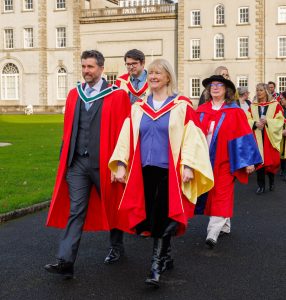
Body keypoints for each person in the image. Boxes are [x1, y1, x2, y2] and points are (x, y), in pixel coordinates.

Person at [109, 58, 214, 287]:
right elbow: (126, 135)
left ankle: (156, 266)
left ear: (168, 77)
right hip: (144, 171)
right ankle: (166, 256)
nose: (154, 77)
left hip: (170, 172)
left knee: (161, 217)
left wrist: (187, 165)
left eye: (158, 73)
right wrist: (120, 164)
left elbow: (192, 138)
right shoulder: (138, 107)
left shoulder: (181, 105)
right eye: (151, 73)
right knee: (153, 217)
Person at [45, 50, 131, 279]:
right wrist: (64, 162)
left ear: (101, 69)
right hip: (77, 164)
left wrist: (121, 164)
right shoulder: (74, 95)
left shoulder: (117, 95)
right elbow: (67, 132)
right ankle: (65, 261)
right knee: (76, 211)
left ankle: (116, 246)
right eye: (83, 66)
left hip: (105, 164)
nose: (86, 71)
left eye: (90, 67)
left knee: (113, 205)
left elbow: (125, 134)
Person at [196, 75, 262, 248]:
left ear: (227, 90)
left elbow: (243, 136)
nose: (215, 87)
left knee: (222, 192)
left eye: (220, 85)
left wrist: (249, 161)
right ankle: (225, 225)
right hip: (204, 160)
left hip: (225, 161)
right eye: (213, 85)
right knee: (209, 193)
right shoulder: (201, 110)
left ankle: (212, 233)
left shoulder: (235, 112)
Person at [249, 83, 284, 194]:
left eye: (261, 90)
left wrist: (268, 121)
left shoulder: (275, 105)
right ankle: (261, 185)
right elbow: (247, 118)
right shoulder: (253, 105)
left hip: (270, 136)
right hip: (257, 136)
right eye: (257, 90)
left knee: (271, 161)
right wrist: (254, 124)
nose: (258, 92)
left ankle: (272, 181)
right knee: (259, 161)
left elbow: (280, 119)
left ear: (266, 92)